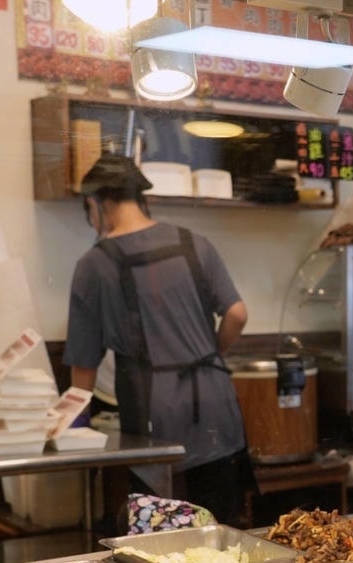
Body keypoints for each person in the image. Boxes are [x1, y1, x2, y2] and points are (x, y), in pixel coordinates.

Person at [63, 153, 255, 524]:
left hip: (156, 415)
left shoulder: (94, 264)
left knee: (164, 539)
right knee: (226, 532)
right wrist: (211, 353)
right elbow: (237, 314)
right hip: (217, 403)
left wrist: (76, 427)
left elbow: (84, 365)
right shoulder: (194, 243)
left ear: (96, 203)